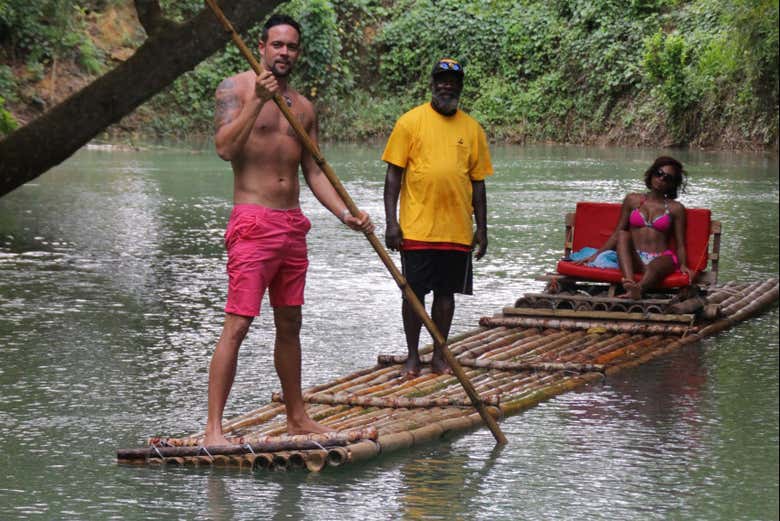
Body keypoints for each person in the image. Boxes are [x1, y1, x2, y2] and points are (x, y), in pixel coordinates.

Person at [205, 14, 374, 446]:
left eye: (291, 47)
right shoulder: (235, 89)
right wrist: (258, 101)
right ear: (261, 46)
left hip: (292, 226)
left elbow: (314, 171)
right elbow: (225, 149)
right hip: (253, 221)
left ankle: (297, 417)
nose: (284, 53)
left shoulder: (303, 108)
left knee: (290, 323)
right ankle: (214, 429)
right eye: (277, 45)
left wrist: (344, 215)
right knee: (238, 325)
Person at [382, 58, 493, 379]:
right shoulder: (409, 123)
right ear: (432, 83)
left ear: (460, 87)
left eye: (453, 81)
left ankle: (440, 355)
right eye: (442, 80)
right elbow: (393, 177)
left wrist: (482, 229)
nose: (447, 85)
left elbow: (478, 182)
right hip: (416, 228)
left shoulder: (472, 129)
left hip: (456, 230)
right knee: (413, 295)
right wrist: (392, 223)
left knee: (446, 297)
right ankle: (413, 356)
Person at [574, 156, 693, 299]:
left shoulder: (676, 208)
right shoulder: (632, 200)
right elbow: (618, 232)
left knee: (655, 267)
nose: (661, 179)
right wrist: (595, 255)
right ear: (652, 174)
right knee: (623, 235)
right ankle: (629, 284)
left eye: (667, 178)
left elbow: (680, 244)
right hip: (635, 258)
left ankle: (638, 290)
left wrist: (684, 265)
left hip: (661, 259)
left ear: (672, 184)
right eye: (659, 173)